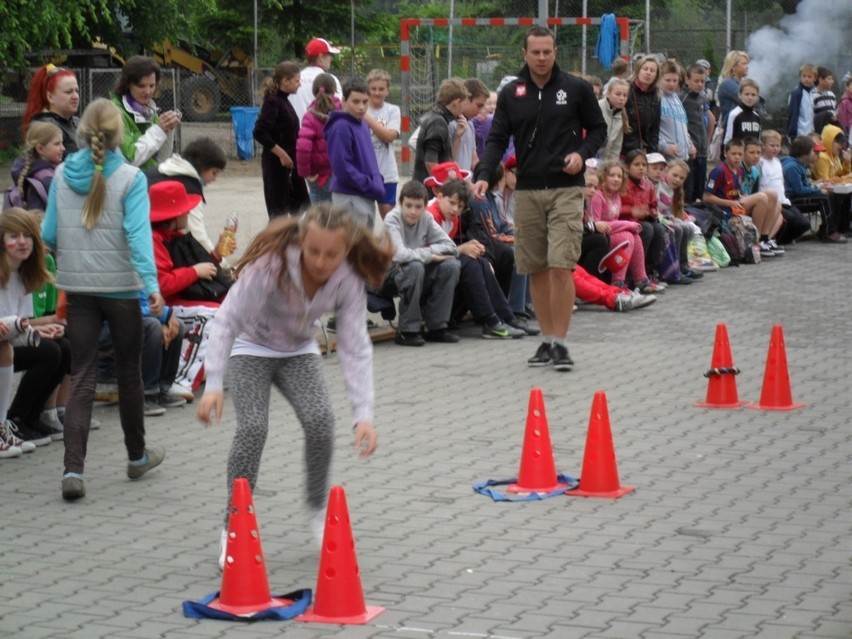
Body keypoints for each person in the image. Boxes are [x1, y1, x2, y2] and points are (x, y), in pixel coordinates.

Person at [195, 203, 392, 567]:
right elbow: (227, 319)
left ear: (345, 251)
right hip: (250, 347)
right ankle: (233, 526)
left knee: (320, 422)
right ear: (301, 241)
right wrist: (214, 383)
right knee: (253, 427)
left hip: (298, 350)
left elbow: (354, 345)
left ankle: (317, 512)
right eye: (313, 251)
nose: (320, 262)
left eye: (331, 254)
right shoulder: (274, 265)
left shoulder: (347, 278)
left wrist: (363, 415)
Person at [41, 98, 166, 500]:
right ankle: (136, 456)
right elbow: (137, 237)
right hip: (122, 290)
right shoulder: (131, 178)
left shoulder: (61, 173)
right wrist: (151, 284)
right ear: (120, 135)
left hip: (78, 289)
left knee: (83, 376)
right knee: (129, 373)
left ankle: (72, 471)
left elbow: (50, 234)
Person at [473, 26, 607, 371]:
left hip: (566, 187)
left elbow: (598, 130)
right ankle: (546, 340)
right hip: (528, 189)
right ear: (525, 54)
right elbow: (497, 139)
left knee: (562, 264)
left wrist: (582, 153)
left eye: (548, 52)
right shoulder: (511, 93)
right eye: (536, 52)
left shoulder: (575, 88)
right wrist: (485, 175)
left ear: (555, 51)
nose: (542, 58)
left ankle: (561, 343)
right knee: (536, 266)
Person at [425, 165, 524, 340]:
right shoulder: (431, 215)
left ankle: (505, 316)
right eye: (452, 202)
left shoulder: (454, 217)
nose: (456, 209)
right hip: (427, 270)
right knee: (470, 264)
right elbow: (426, 251)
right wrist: (460, 250)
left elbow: (480, 234)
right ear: (438, 193)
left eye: (460, 205)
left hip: (445, 265)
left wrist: (481, 254)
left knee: (483, 261)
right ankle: (491, 320)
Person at [378, 180, 461, 346]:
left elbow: (452, 248)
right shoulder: (392, 219)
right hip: (386, 275)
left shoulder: (427, 218)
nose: (413, 212)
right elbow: (400, 255)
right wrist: (430, 256)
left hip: (414, 270)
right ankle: (406, 331)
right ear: (400, 203)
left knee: (451, 266)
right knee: (414, 267)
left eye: (418, 207)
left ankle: (437, 327)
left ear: (425, 206)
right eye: (408, 206)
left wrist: (426, 254)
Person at [0, 208, 53, 457]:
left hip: (6, 339)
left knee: (58, 347)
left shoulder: (24, 275)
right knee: (6, 349)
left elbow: (22, 323)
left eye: (27, 235)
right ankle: (8, 423)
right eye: (14, 235)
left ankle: (21, 421)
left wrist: (36, 330)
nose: (22, 242)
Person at [325, 78, 385, 230]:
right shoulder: (341, 127)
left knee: (363, 247)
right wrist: (370, 184)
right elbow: (342, 168)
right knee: (353, 247)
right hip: (349, 197)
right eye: (356, 101)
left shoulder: (362, 123)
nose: (361, 107)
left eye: (365, 102)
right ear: (344, 101)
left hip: (363, 195)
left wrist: (376, 180)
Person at [588, 160, 655, 291]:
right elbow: (597, 224)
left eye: (619, 176)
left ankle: (640, 279)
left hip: (610, 232)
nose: (616, 179)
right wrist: (628, 224)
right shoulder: (597, 196)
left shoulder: (616, 196)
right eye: (612, 175)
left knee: (634, 235)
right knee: (627, 237)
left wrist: (628, 225)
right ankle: (617, 282)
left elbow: (614, 221)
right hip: (598, 234)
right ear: (603, 177)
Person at [254, 61, 309, 218]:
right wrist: (282, 154)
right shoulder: (273, 102)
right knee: (279, 214)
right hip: (277, 166)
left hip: (291, 166)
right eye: (297, 81)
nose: (299, 85)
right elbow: (259, 132)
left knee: (301, 207)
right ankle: (279, 241)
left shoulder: (284, 100)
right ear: (286, 81)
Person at [704, 138, 776, 255]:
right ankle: (755, 241)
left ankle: (763, 239)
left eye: (740, 154)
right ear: (725, 153)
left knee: (772, 196)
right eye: (733, 154)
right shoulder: (719, 171)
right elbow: (706, 197)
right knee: (762, 197)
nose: (737, 157)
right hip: (723, 212)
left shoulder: (738, 171)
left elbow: (734, 192)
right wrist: (730, 203)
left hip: (735, 207)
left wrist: (741, 196)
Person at [111, 56, 181, 170]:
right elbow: (131, 159)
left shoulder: (150, 110)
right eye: (141, 86)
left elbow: (161, 160)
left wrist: (168, 129)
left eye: (152, 86)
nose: (148, 92)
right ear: (128, 84)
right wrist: (159, 130)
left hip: (146, 179)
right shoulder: (114, 112)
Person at [782, 135, 843, 243]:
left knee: (830, 194)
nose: (814, 154)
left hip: (797, 195)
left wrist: (816, 186)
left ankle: (826, 229)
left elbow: (805, 185)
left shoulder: (800, 165)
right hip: (792, 199)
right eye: (812, 151)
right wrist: (818, 190)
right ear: (804, 153)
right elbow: (799, 190)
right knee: (824, 199)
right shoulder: (792, 167)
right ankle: (829, 232)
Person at [620, 149, 666, 289]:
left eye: (643, 165)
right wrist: (631, 211)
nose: (641, 168)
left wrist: (651, 212)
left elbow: (653, 205)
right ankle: (633, 275)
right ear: (627, 167)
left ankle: (648, 271)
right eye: (637, 164)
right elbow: (614, 207)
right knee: (646, 229)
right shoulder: (622, 184)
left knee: (658, 229)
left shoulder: (648, 185)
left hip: (643, 221)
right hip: (625, 222)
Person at [758, 129, 811, 245]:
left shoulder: (777, 162)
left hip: (784, 201)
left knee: (804, 224)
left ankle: (780, 240)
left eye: (778, 145)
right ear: (763, 146)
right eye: (772, 145)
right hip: (771, 203)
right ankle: (769, 240)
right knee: (790, 219)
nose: (775, 148)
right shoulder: (760, 163)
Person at [412, 78, 468, 185]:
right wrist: (442, 186)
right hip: (429, 190)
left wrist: (457, 136)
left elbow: (446, 159)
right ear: (457, 102)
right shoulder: (438, 122)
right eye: (464, 104)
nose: (463, 109)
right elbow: (430, 162)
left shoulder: (436, 117)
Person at [296, 73, 340, 205]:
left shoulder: (310, 116)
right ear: (334, 90)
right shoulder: (342, 112)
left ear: (314, 92)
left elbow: (303, 147)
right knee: (336, 210)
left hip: (318, 174)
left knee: (318, 211)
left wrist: (305, 172)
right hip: (338, 171)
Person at [364, 68, 401, 218]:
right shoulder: (361, 108)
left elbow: (389, 136)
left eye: (381, 89)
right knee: (364, 219)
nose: (377, 93)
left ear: (387, 90)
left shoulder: (393, 110)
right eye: (373, 89)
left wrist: (366, 118)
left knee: (389, 219)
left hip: (387, 173)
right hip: (365, 174)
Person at [21, 64, 80, 158]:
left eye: (76, 91)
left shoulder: (76, 122)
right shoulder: (46, 127)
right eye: (69, 92)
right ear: (50, 97)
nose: (75, 96)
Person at [739, 138, 784, 256]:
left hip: (749, 202)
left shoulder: (755, 170)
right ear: (743, 153)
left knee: (778, 209)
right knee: (769, 194)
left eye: (758, 153)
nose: (756, 156)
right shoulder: (738, 168)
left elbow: (753, 191)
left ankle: (765, 239)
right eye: (752, 153)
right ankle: (757, 240)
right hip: (736, 205)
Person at [7, 122, 63, 212]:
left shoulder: (26, 171)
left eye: (62, 143)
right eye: (57, 144)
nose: (63, 148)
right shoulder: (47, 179)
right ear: (40, 149)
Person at [680, 64, 713, 202]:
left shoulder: (702, 98)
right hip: (690, 152)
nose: (700, 84)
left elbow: (707, 120)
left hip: (702, 151)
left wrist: (707, 141)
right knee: (689, 191)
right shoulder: (682, 98)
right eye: (696, 81)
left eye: (703, 81)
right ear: (687, 80)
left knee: (700, 191)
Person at [289, 37, 343, 124]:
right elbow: (338, 109)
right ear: (321, 57)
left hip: (294, 133)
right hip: (318, 133)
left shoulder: (293, 79)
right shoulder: (330, 80)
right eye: (330, 55)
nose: (332, 59)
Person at [812, 124, 851, 237]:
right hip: (825, 189)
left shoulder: (834, 156)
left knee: (847, 194)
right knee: (837, 195)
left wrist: (847, 162)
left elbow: (840, 173)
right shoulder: (823, 157)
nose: (842, 146)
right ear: (830, 141)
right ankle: (832, 228)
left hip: (834, 186)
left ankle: (844, 227)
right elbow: (825, 180)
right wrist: (844, 178)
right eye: (839, 143)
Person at [621, 55, 661, 156]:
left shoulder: (656, 96)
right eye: (645, 69)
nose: (648, 73)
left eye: (652, 70)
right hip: (626, 149)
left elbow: (655, 129)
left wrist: (652, 152)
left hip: (645, 150)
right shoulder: (626, 90)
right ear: (638, 70)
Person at [659, 60, 695, 162]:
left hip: (682, 159)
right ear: (659, 79)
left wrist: (690, 145)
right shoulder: (657, 99)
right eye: (668, 80)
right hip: (666, 158)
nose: (672, 84)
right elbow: (651, 131)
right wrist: (664, 147)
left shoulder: (677, 99)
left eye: (675, 81)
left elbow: (683, 126)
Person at [453, 78, 489, 171]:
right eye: (479, 105)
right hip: (452, 183)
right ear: (466, 99)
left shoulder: (470, 124)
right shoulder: (446, 121)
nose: (481, 110)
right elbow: (414, 141)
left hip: (466, 183)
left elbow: (474, 160)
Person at [598, 78, 630, 161]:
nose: (622, 98)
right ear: (608, 93)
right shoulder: (598, 108)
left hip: (607, 161)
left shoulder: (621, 116)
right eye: (618, 94)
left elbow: (616, 147)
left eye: (625, 95)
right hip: (592, 158)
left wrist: (612, 165)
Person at [724, 78, 762, 145]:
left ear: (757, 97)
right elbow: (728, 138)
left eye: (753, 95)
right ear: (740, 95)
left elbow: (758, 139)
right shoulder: (734, 114)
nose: (750, 97)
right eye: (747, 94)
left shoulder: (756, 116)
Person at [716, 51, 750, 125]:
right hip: (733, 129)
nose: (747, 66)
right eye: (744, 64)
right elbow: (749, 101)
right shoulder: (728, 84)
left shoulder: (743, 83)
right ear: (733, 67)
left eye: (747, 63)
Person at [787, 64, 817, 141]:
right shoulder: (797, 93)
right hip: (799, 134)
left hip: (809, 133)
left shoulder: (811, 93)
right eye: (804, 76)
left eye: (809, 77)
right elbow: (793, 113)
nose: (806, 79)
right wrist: (792, 134)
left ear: (814, 78)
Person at [812, 67, 837, 134]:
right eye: (829, 79)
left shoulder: (831, 95)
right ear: (820, 80)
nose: (832, 81)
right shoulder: (812, 96)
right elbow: (811, 116)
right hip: (819, 132)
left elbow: (835, 111)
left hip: (832, 132)